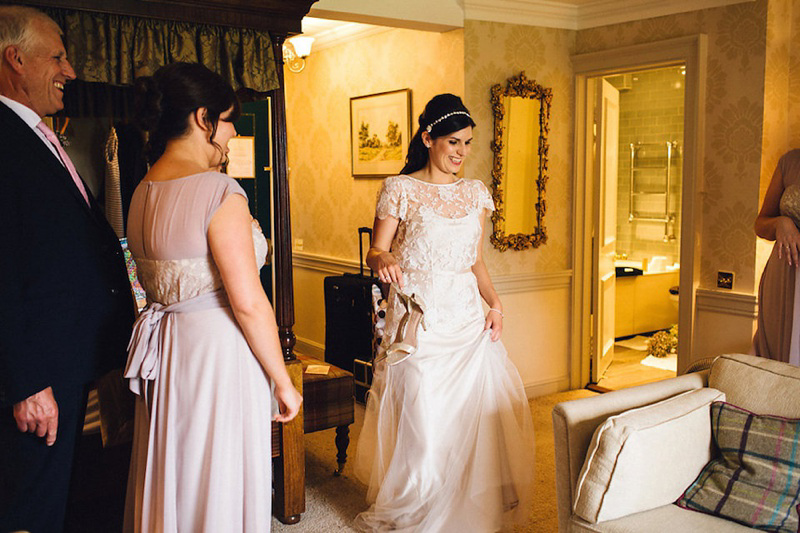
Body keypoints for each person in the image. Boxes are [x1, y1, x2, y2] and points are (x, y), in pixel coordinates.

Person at [122, 62, 302, 532]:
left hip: (169, 350)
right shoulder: (219, 190)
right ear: (204, 119)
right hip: (217, 353)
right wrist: (282, 381)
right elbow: (248, 302)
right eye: (228, 119)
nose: (232, 131)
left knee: (178, 467)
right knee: (218, 468)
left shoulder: (143, 190)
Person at [353, 94, 535, 532]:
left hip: (467, 319)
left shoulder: (474, 193)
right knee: (424, 418)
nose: (461, 153)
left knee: (473, 417)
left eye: (467, 143)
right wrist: (380, 261)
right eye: (453, 142)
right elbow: (376, 249)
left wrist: (496, 303)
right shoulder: (400, 188)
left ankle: (468, 510)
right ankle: (417, 507)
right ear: (427, 137)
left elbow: (475, 259)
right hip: (419, 320)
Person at [0, 6, 136, 532]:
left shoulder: (36, 134)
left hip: (67, 359)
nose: (71, 71)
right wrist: (26, 384)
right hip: (37, 374)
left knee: (58, 498)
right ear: (15, 59)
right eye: (57, 56)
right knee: (28, 508)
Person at [753, 150, 800, 365]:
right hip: (782, 278)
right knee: (774, 366)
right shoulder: (790, 162)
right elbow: (760, 224)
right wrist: (781, 223)